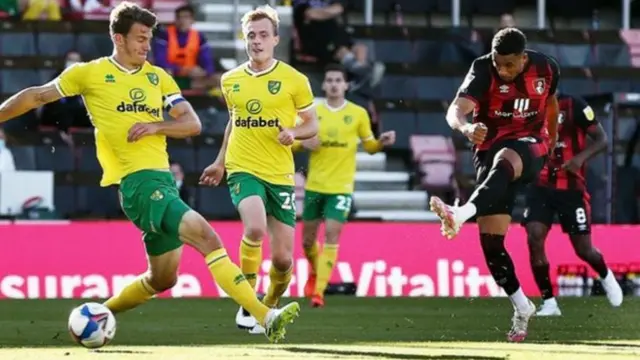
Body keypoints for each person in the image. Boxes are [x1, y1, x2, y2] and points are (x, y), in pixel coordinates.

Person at [0, 2, 298, 344]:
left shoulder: (159, 78)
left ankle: (98, 313)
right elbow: (36, 96)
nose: (146, 45)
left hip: (163, 183)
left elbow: (193, 124)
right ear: (118, 38)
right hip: (138, 184)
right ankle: (264, 316)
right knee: (207, 237)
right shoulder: (88, 73)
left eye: (149, 38)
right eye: (140, 38)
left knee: (163, 280)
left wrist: (155, 126)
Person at [429, 27, 560, 343]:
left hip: (530, 145)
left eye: (510, 65)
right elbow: (455, 110)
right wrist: (465, 127)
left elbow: (552, 103)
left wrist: (553, 139)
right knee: (492, 244)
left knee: (507, 156)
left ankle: (459, 215)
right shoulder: (482, 68)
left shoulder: (547, 67)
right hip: (488, 151)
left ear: (523, 58)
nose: (503, 70)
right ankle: (521, 305)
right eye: (499, 63)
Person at [199, 5, 318, 334]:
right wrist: (221, 161)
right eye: (251, 35)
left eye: (263, 35)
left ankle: (269, 305)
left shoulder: (295, 80)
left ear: (276, 39)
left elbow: (313, 125)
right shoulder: (231, 80)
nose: (257, 41)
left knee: (283, 261)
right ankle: (248, 300)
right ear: (245, 39)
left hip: (279, 174)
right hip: (243, 167)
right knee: (253, 229)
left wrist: (294, 133)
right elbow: (233, 122)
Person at [295, 64, 395, 308]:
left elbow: (369, 147)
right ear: (324, 84)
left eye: (338, 80)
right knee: (307, 242)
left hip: (341, 187)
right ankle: (316, 273)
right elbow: (292, 142)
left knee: (331, 236)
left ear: (346, 85)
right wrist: (302, 142)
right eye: (329, 80)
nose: (333, 84)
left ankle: (318, 292)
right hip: (315, 185)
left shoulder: (358, 113)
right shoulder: (313, 113)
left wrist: (381, 143)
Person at [522, 93, 623, 316]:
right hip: (540, 186)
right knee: (534, 236)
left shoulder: (574, 105)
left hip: (571, 188)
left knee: (583, 249)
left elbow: (602, 140)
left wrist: (579, 159)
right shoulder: (529, 107)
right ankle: (549, 302)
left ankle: (606, 275)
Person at [292, 0, 385, 90]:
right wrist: (329, 11)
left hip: (334, 33)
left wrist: (326, 12)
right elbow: (311, 14)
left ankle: (359, 75)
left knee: (361, 48)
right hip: (316, 39)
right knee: (342, 50)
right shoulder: (302, 3)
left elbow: (339, 8)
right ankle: (365, 72)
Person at [152, 4, 218, 91]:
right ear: (175, 20)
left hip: (192, 76)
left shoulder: (199, 37)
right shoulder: (164, 35)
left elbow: (207, 61)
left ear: (192, 20)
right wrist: (182, 70)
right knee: (164, 73)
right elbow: (160, 61)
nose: (182, 21)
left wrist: (204, 72)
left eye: (186, 17)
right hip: (172, 74)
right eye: (179, 17)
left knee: (216, 79)